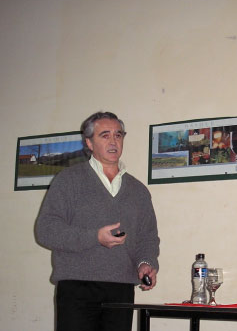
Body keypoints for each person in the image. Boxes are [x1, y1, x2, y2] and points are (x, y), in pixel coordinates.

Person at [35, 111, 160, 331]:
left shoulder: (139, 191)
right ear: (89, 143)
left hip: (121, 288)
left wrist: (146, 263)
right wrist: (94, 237)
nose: (113, 141)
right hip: (77, 287)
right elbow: (46, 230)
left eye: (118, 135)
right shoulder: (68, 181)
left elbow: (148, 237)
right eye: (105, 135)